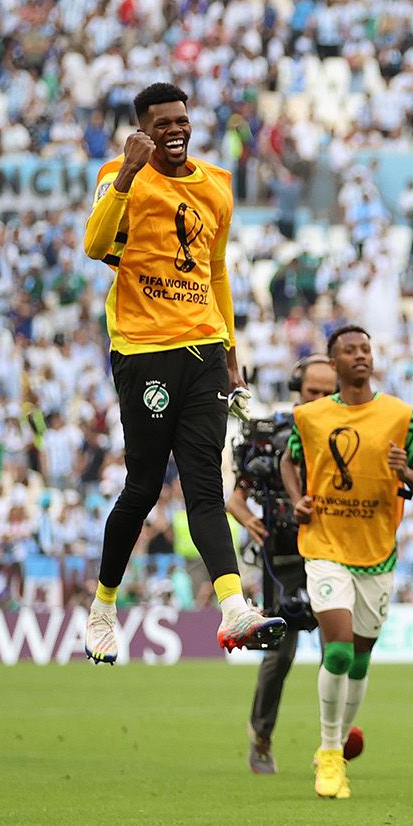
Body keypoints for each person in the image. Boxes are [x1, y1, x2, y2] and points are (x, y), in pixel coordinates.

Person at [81, 81, 282, 662]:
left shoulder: (216, 184)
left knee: (204, 485)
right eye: (162, 122)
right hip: (144, 349)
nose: (175, 130)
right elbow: (95, 246)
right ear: (142, 127)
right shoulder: (119, 173)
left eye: (181, 120)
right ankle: (103, 606)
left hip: (204, 349)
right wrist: (124, 176)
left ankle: (233, 607)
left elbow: (217, 271)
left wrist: (231, 352)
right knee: (143, 486)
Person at [283, 324, 413, 802]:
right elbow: (289, 459)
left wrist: (408, 473)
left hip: (377, 551)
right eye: (350, 350)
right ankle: (328, 753)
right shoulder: (311, 415)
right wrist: (298, 499)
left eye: (366, 347)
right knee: (337, 651)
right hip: (324, 544)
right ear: (333, 363)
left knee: (360, 660)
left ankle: (339, 742)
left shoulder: (402, 416)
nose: (361, 355)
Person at [236, 354, 336, 775]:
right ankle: (261, 737)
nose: (320, 399)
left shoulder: (349, 426)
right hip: (284, 555)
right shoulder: (271, 431)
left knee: (339, 649)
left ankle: (333, 745)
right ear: (298, 389)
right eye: (314, 391)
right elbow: (236, 494)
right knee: (280, 649)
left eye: (328, 392)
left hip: (335, 551)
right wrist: (246, 517)